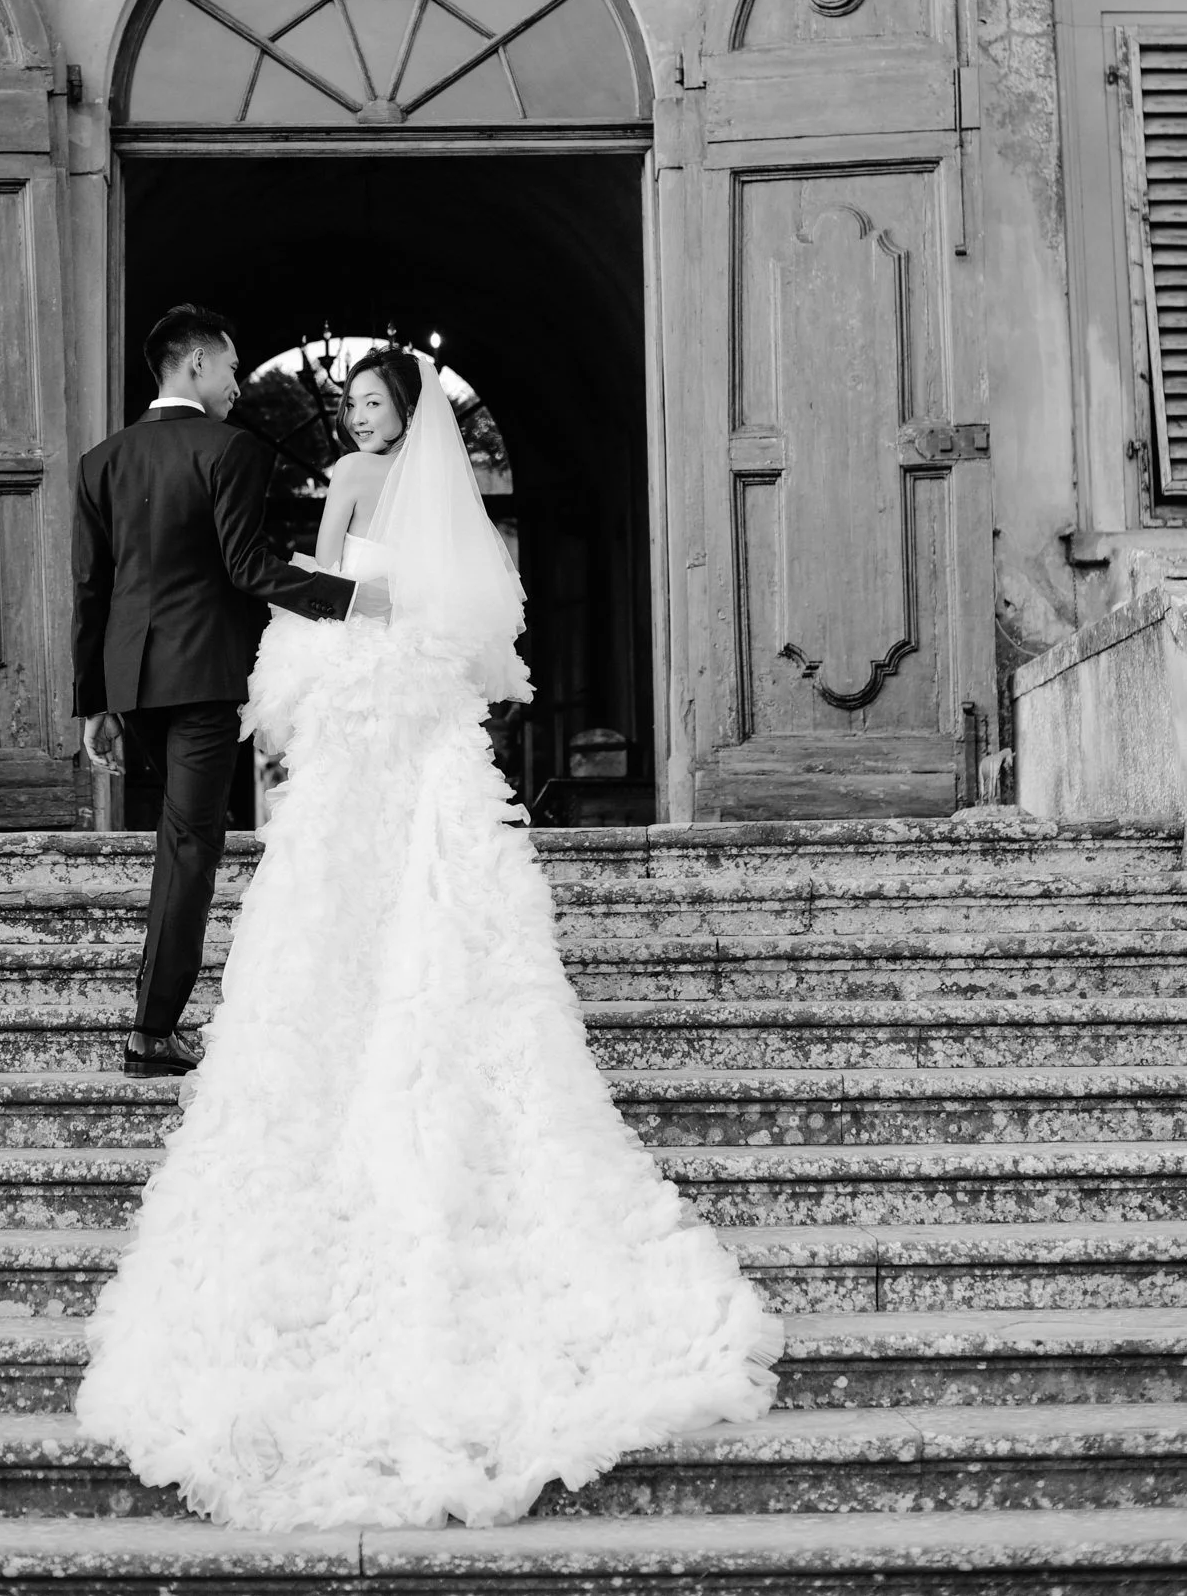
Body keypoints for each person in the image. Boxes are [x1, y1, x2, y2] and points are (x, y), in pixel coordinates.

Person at [76, 342, 781, 1527]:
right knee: (352, 884)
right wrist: (349, 639)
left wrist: (327, 657)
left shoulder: (325, 486)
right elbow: (355, 596)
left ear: (402, 410)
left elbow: (302, 587)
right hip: (375, 695)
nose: (352, 416)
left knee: (381, 886)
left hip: (376, 697)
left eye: (367, 400)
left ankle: (231, 1020)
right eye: (345, 400)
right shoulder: (376, 483)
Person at [73, 304, 388, 1078]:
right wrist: (346, 600)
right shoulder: (229, 450)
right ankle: (151, 1031)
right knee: (188, 847)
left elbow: (91, 587)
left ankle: (155, 1018)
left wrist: (94, 704)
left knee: (177, 842)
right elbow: (247, 569)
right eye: (230, 366)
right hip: (204, 675)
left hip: (132, 681)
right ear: (193, 365)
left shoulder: (100, 460)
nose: (238, 384)